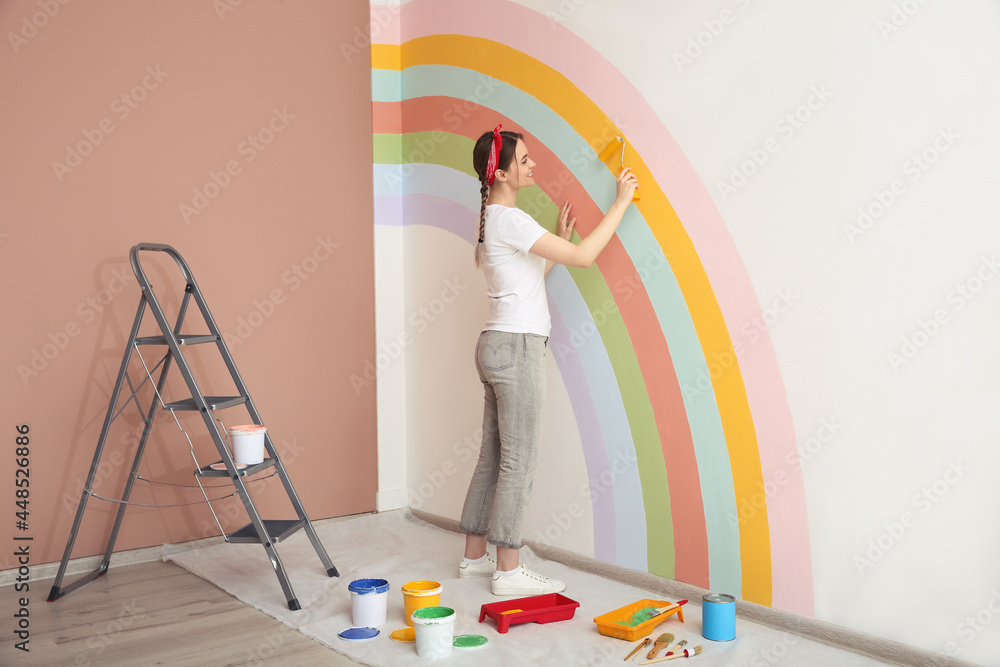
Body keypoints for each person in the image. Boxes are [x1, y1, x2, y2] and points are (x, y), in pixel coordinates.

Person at [458, 124, 638, 596]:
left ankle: (475, 560)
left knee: (492, 457)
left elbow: (530, 277)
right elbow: (583, 257)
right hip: (517, 348)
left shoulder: (494, 221)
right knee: (520, 460)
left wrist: (556, 239)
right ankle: (509, 570)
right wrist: (621, 202)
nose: (532, 165)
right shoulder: (512, 220)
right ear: (500, 172)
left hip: (495, 343)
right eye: (524, 160)